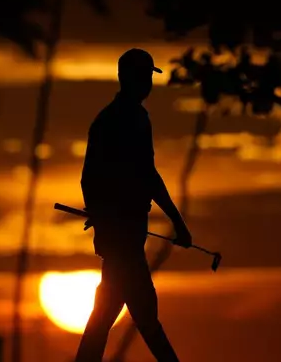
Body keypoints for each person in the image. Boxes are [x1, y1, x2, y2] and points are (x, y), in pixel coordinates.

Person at [74, 48, 192, 362]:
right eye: (144, 76)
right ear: (131, 78)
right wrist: (178, 223)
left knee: (106, 317)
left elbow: (90, 178)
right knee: (143, 315)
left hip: (120, 237)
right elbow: (148, 175)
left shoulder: (106, 119)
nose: (147, 84)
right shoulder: (134, 119)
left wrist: (100, 222)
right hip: (125, 239)